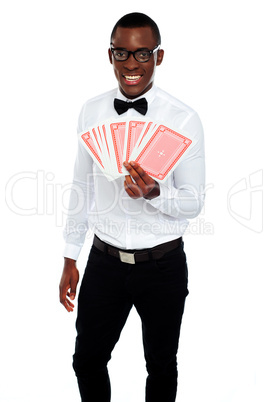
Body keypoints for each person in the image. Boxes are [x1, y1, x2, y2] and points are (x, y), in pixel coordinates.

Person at [59, 12, 205, 402]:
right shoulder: (91, 111)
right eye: (122, 53)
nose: (131, 65)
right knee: (86, 360)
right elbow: (80, 187)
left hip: (162, 265)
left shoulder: (184, 119)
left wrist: (157, 194)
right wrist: (70, 256)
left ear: (159, 57)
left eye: (142, 54)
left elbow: (194, 203)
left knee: (161, 365)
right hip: (103, 262)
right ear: (110, 55)